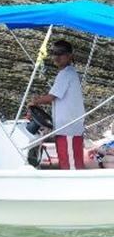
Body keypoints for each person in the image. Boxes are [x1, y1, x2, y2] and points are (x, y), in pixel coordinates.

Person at [28, 39, 85, 170]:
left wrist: (34, 101)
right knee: (69, 163)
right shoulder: (69, 73)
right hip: (68, 128)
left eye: (61, 53)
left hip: (68, 128)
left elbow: (51, 97)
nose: (57, 56)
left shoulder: (66, 74)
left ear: (69, 56)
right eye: (54, 53)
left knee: (70, 167)